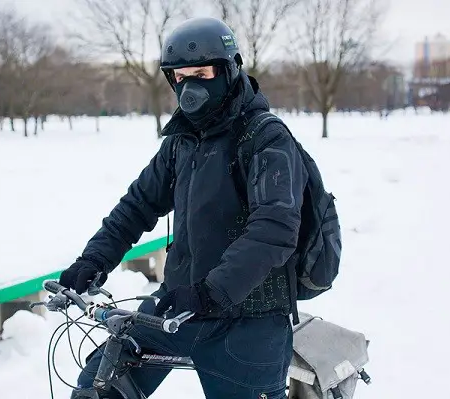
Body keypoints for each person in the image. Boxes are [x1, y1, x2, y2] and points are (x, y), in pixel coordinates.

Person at [58, 16, 306, 399]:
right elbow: (137, 205)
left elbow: (274, 230)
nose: (189, 87)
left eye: (202, 73)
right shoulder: (182, 141)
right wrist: (93, 261)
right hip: (179, 309)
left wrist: (210, 292)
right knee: (100, 387)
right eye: (179, 75)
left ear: (229, 70)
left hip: (248, 321)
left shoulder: (265, 138)